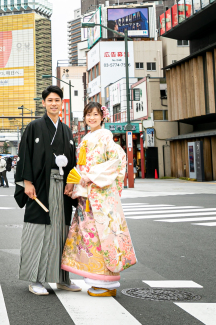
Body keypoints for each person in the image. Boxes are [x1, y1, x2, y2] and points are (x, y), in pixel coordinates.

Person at [61, 101, 137, 297]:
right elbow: (81, 166)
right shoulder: (87, 137)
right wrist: (73, 183)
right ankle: (98, 281)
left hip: (98, 195)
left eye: (95, 114)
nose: (92, 118)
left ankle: (105, 282)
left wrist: (89, 177)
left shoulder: (105, 136)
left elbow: (116, 161)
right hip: (87, 193)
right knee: (89, 236)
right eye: (88, 114)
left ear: (103, 117)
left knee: (99, 236)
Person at [14, 86, 78, 295]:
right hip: (41, 185)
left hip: (62, 188)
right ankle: (35, 279)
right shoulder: (33, 127)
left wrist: (72, 182)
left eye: (57, 100)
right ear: (43, 103)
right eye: (49, 100)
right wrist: (27, 182)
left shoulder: (67, 130)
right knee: (38, 230)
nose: (53, 103)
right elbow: (25, 154)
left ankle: (62, 278)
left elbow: (73, 162)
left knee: (62, 231)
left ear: (62, 103)